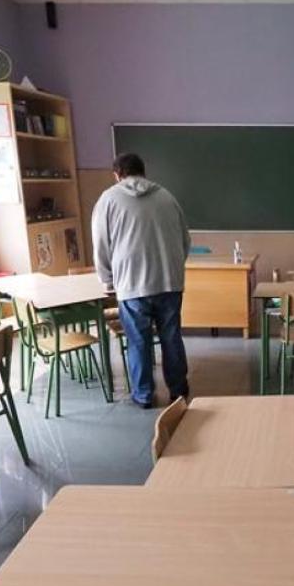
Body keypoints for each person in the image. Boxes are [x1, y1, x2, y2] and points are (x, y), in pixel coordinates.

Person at [92, 153, 191, 408]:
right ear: (143, 172)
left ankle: (144, 395)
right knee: (171, 338)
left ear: (117, 175)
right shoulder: (167, 197)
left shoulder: (108, 200)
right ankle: (178, 391)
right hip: (169, 282)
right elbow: (185, 240)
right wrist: (173, 268)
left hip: (131, 284)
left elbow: (101, 244)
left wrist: (107, 279)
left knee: (138, 342)